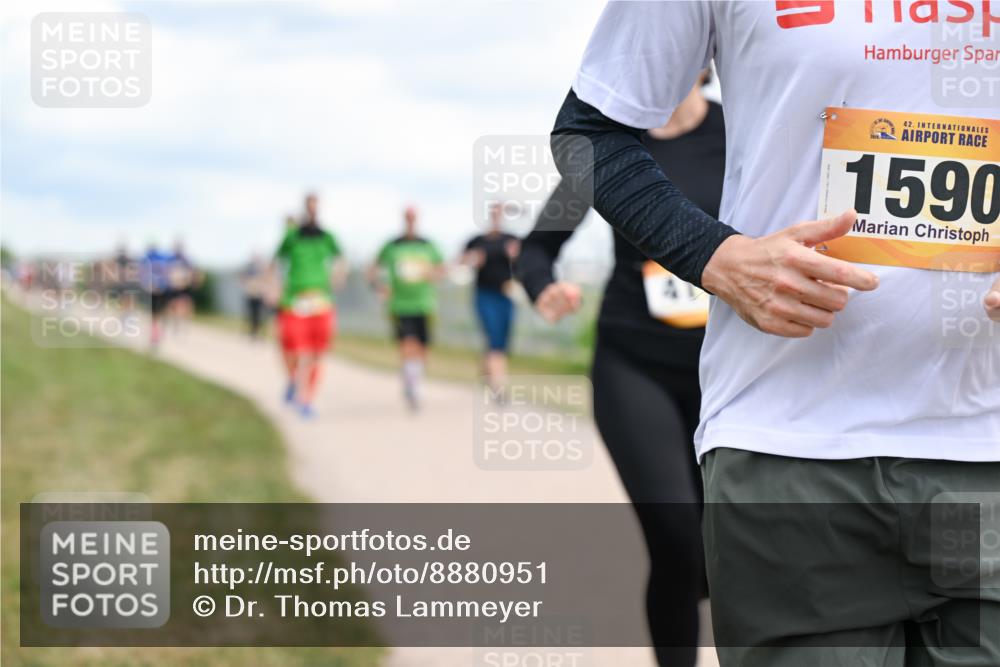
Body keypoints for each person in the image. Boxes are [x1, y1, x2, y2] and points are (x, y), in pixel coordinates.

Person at [556, 3, 999, 666]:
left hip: (985, 441)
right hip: (789, 445)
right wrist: (716, 256)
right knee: (674, 536)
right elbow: (589, 134)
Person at [517, 72, 722, 667]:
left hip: (733, 373)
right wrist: (543, 287)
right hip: (635, 366)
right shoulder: (612, 144)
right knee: (676, 538)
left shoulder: (743, 134)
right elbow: (537, 248)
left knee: (733, 549)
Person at [272, 193, 344, 419]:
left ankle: (306, 398)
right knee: (292, 348)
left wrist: (337, 277)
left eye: (316, 206)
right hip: (294, 300)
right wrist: (274, 289)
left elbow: (341, 260)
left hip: (320, 301)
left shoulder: (328, 237)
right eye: (309, 206)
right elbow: (276, 262)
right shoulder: (292, 237)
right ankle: (294, 380)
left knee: (315, 351)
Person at [369, 206, 444, 411]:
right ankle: (412, 387)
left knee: (422, 348)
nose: (411, 221)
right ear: (404, 219)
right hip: (400, 304)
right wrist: (379, 286)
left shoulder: (428, 245)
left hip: (424, 303)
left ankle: (413, 380)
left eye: (414, 217)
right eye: (408, 217)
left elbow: (441, 268)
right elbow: (373, 267)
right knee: (407, 343)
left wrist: (434, 274)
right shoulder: (392, 246)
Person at [461, 202, 521, 395]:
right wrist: (473, 259)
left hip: (505, 296)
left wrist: (516, 256)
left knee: (501, 340)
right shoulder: (477, 241)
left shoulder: (511, 240)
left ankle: (488, 374)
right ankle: (499, 387)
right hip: (484, 295)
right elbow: (461, 261)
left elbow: (524, 261)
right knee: (494, 337)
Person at [140, 243, 174, 349]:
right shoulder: (162, 257)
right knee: (157, 313)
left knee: (157, 314)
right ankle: (156, 334)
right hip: (159, 289)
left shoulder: (148, 258)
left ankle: (156, 333)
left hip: (158, 289)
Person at [241, 253, 269, 340]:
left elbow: (265, 280)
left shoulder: (262, 268)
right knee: (251, 314)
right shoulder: (249, 268)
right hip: (251, 294)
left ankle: (258, 333)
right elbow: (244, 278)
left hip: (259, 295)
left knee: (259, 315)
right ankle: (252, 332)